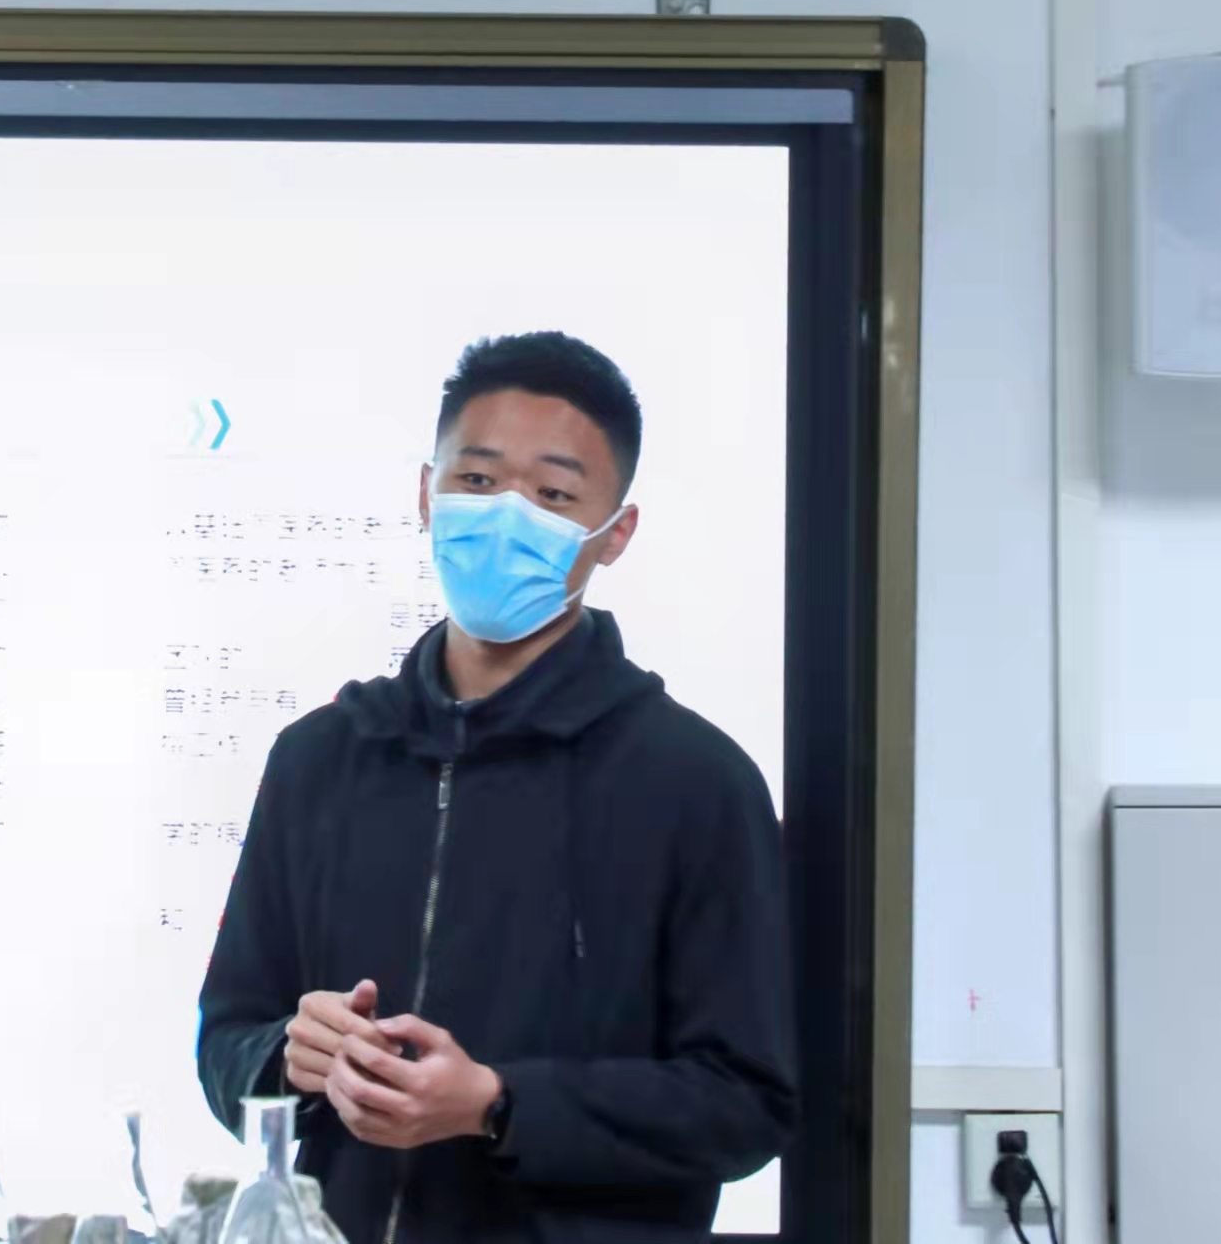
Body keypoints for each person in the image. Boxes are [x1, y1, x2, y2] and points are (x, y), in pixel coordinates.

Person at [197, 331, 796, 1243]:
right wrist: (288, 1057)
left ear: (614, 532)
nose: (506, 515)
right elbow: (227, 1039)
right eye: (476, 480)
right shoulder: (319, 757)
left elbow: (746, 1101)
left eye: (553, 495)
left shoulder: (694, 782)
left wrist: (497, 1103)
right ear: (426, 493)